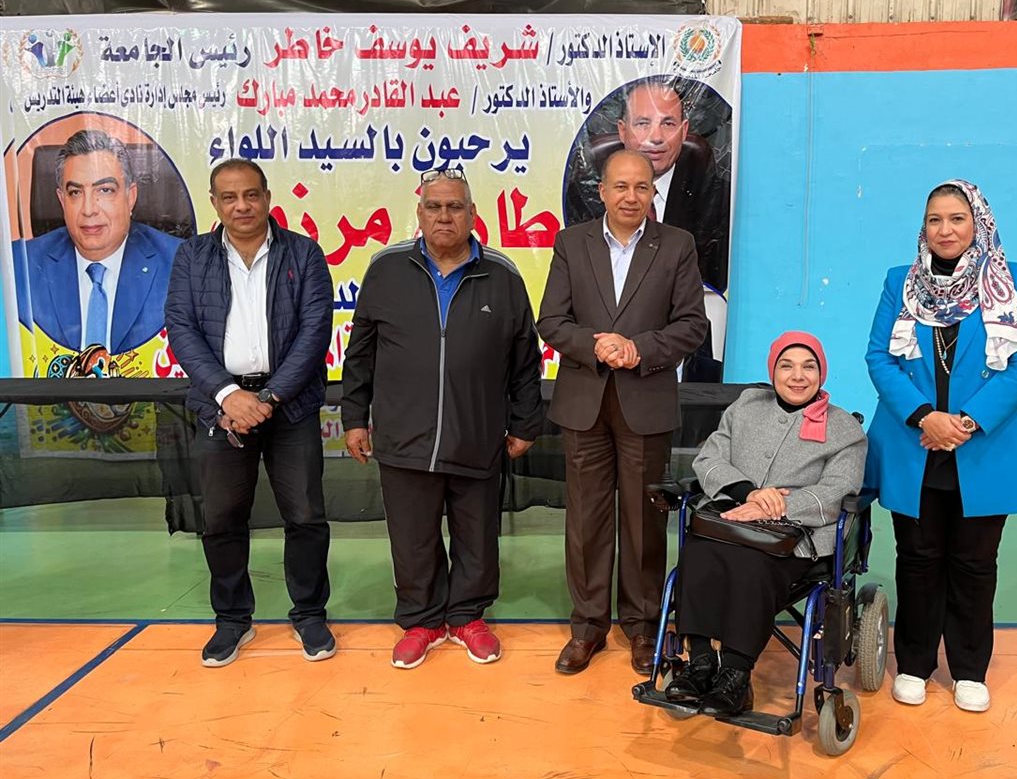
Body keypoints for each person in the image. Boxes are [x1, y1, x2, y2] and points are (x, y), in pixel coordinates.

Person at [341, 168, 543, 670]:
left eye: (455, 207)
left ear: (473, 215)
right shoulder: (386, 270)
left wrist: (525, 423)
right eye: (434, 207)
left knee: (477, 537)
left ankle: (467, 617)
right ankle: (422, 621)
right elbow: (360, 353)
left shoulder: (503, 275)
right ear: (420, 213)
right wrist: (354, 417)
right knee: (413, 539)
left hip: (477, 433)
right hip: (403, 435)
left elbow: (525, 360)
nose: (444, 216)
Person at [864, 179, 1017, 713]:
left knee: (974, 561)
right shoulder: (900, 281)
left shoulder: (1012, 280)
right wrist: (926, 416)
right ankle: (914, 663)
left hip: (983, 445)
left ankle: (969, 668)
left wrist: (965, 422)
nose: (945, 230)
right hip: (914, 441)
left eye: (957, 218)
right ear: (923, 227)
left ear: (979, 224)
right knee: (917, 558)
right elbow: (879, 357)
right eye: (935, 219)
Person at [538, 149, 707, 676]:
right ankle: (587, 626)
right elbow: (551, 320)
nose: (631, 196)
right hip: (584, 401)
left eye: (641, 187)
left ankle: (642, 626)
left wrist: (638, 349)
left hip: (646, 400)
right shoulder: (572, 243)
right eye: (621, 186)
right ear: (602, 192)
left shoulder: (676, 245)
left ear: (653, 192)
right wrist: (598, 346)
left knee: (643, 521)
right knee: (585, 520)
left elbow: (692, 325)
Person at [164, 158, 335, 668]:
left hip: (290, 406)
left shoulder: (303, 253)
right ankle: (233, 620)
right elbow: (181, 328)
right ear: (214, 203)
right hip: (221, 409)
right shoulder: (192, 256)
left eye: (251, 195)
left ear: (267, 197)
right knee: (220, 518)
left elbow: (314, 332)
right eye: (230, 197)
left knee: (305, 516)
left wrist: (269, 398)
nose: (242, 206)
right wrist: (227, 395)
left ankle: (310, 613)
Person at [664, 332, 867, 715]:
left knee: (751, 564)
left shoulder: (844, 429)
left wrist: (779, 506)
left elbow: (839, 489)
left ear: (821, 373)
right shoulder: (745, 406)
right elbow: (709, 459)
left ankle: (736, 675)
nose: (798, 376)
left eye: (808, 367)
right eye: (786, 366)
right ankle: (700, 664)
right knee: (699, 553)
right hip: (731, 519)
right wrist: (748, 494)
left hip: (795, 537)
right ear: (773, 371)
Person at [12, 129, 181, 354]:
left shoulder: (183, 265)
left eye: (105, 190)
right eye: (75, 193)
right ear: (62, 200)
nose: (89, 209)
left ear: (130, 196)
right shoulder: (17, 266)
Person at [565, 78, 731, 294]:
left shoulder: (718, 201)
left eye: (668, 124)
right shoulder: (585, 196)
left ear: (684, 131)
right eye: (643, 123)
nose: (656, 138)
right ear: (622, 131)